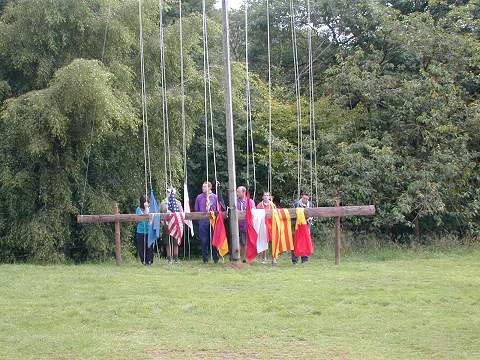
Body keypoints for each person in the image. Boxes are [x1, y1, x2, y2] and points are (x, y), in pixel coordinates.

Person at [194, 181, 219, 263]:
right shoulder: (199, 197)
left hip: (213, 221)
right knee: (204, 240)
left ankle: (215, 258)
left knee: (214, 240)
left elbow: (218, 209)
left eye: (205, 187)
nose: (203, 188)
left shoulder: (215, 197)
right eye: (203, 186)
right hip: (202, 222)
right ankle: (205, 259)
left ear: (209, 188)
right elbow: (196, 209)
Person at [160, 187, 184, 264]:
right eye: (167, 192)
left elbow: (181, 213)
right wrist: (161, 221)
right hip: (166, 225)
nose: (168, 194)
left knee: (175, 243)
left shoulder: (177, 203)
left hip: (176, 225)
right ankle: (169, 259)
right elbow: (159, 213)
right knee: (167, 243)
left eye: (170, 192)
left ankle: (176, 259)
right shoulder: (163, 203)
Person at [292, 190, 314, 264]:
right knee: (296, 242)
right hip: (297, 226)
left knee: (306, 242)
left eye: (307, 199)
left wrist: (311, 218)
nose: (306, 200)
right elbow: (292, 215)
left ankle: (305, 260)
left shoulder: (311, 204)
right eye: (304, 198)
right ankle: (295, 260)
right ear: (302, 196)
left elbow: (314, 214)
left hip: (306, 227)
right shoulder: (296, 204)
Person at [236, 186, 255, 263]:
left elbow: (253, 212)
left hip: (247, 225)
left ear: (244, 192)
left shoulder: (250, 201)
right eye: (237, 191)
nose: (237, 193)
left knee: (246, 242)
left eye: (238, 192)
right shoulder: (235, 201)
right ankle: (239, 258)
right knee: (239, 242)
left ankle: (246, 258)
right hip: (236, 226)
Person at [256, 191, 276, 263]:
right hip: (263, 226)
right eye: (265, 195)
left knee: (273, 242)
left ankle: (274, 258)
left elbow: (276, 215)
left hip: (271, 226)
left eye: (267, 195)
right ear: (262, 197)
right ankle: (264, 258)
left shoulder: (272, 205)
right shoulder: (259, 205)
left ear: (270, 197)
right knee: (263, 241)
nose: (266, 197)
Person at [135, 194, 153, 266]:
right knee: (141, 247)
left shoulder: (150, 208)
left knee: (149, 247)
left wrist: (147, 208)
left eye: (147, 201)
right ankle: (144, 261)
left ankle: (149, 261)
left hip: (149, 231)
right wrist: (145, 209)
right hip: (140, 231)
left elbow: (151, 217)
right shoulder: (138, 209)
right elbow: (140, 219)